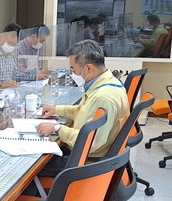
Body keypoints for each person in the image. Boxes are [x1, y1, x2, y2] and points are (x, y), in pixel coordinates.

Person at [35, 39, 128, 173]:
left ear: (88, 68)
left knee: (32, 165)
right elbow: (85, 110)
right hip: (84, 153)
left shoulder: (103, 98)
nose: (73, 73)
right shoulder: (107, 82)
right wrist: (57, 109)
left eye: (73, 69)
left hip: (85, 162)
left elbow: (93, 142)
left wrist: (57, 128)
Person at [0, 24, 50, 88]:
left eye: (15, 45)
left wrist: (34, 77)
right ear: (3, 37)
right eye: (11, 44)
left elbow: (17, 75)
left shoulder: (11, 55)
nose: (13, 47)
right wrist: (0, 84)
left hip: (9, 92)